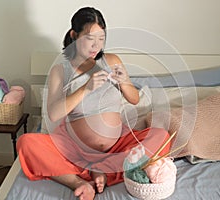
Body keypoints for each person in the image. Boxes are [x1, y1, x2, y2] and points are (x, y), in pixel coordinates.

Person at [17, 7, 171, 200]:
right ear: (74, 35)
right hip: (74, 148)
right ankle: (79, 182)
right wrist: (85, 89)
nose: (95, 46)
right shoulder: (61, 69)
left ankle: (103, 172)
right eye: (90, 38)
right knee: (26, 143)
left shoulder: (112, 60)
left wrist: (123, 81)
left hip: (116, 146)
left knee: (161, 136)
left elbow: (134, 99)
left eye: (101, 39)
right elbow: (54, 114)